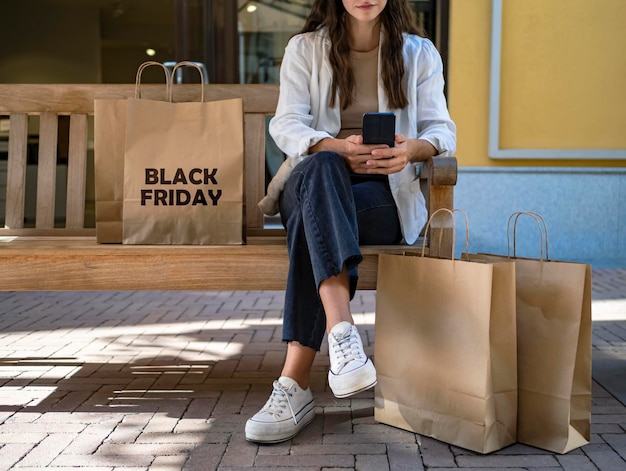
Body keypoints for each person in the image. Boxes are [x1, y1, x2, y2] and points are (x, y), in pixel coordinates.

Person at [246, 0, 456, 443]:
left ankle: (295, 384)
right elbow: (286, 124)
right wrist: (338, 148)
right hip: (313, 183)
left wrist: (409, 151)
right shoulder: (305, 49)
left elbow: (442, 131)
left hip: (381, 199)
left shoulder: (419, 53)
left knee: (312, 228)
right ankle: (343, 336)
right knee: (321, 172)